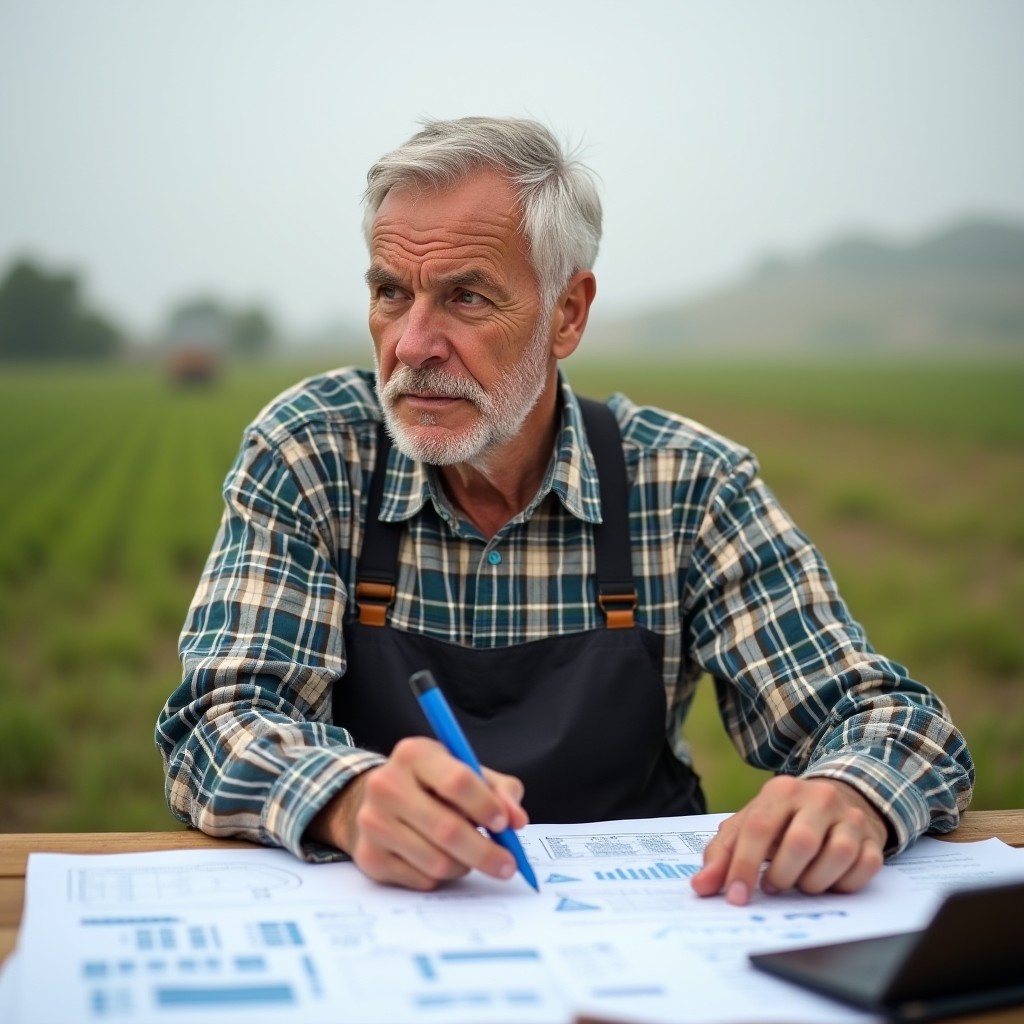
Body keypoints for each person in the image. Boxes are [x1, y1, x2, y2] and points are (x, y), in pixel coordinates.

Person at [156, 116, 973, 906]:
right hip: (391, 933)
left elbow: (888, 719)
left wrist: (848, 794)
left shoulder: (687, 483)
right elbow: (218, 719)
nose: (411, 344)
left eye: (467, 297)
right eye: (389, 292)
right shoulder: (314, 454)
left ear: (568, 313)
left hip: (644, 937)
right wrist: (346, 795)